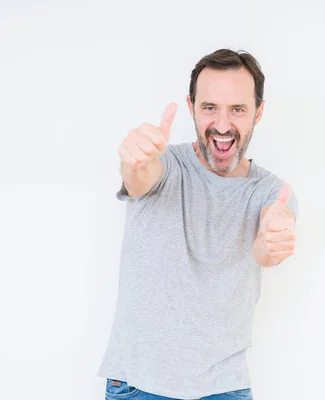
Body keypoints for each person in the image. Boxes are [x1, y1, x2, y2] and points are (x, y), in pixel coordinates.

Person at [97, 48, 299, 400]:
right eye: (210, 108)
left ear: (258, 111)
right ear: (191, 107)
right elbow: (140, 177)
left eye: (237, 109)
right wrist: (134, 160)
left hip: (225, 389)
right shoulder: (166, 164)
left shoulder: (271, 192)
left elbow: (268, 242)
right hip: (138, 386)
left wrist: (271, 242)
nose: (222, 125)